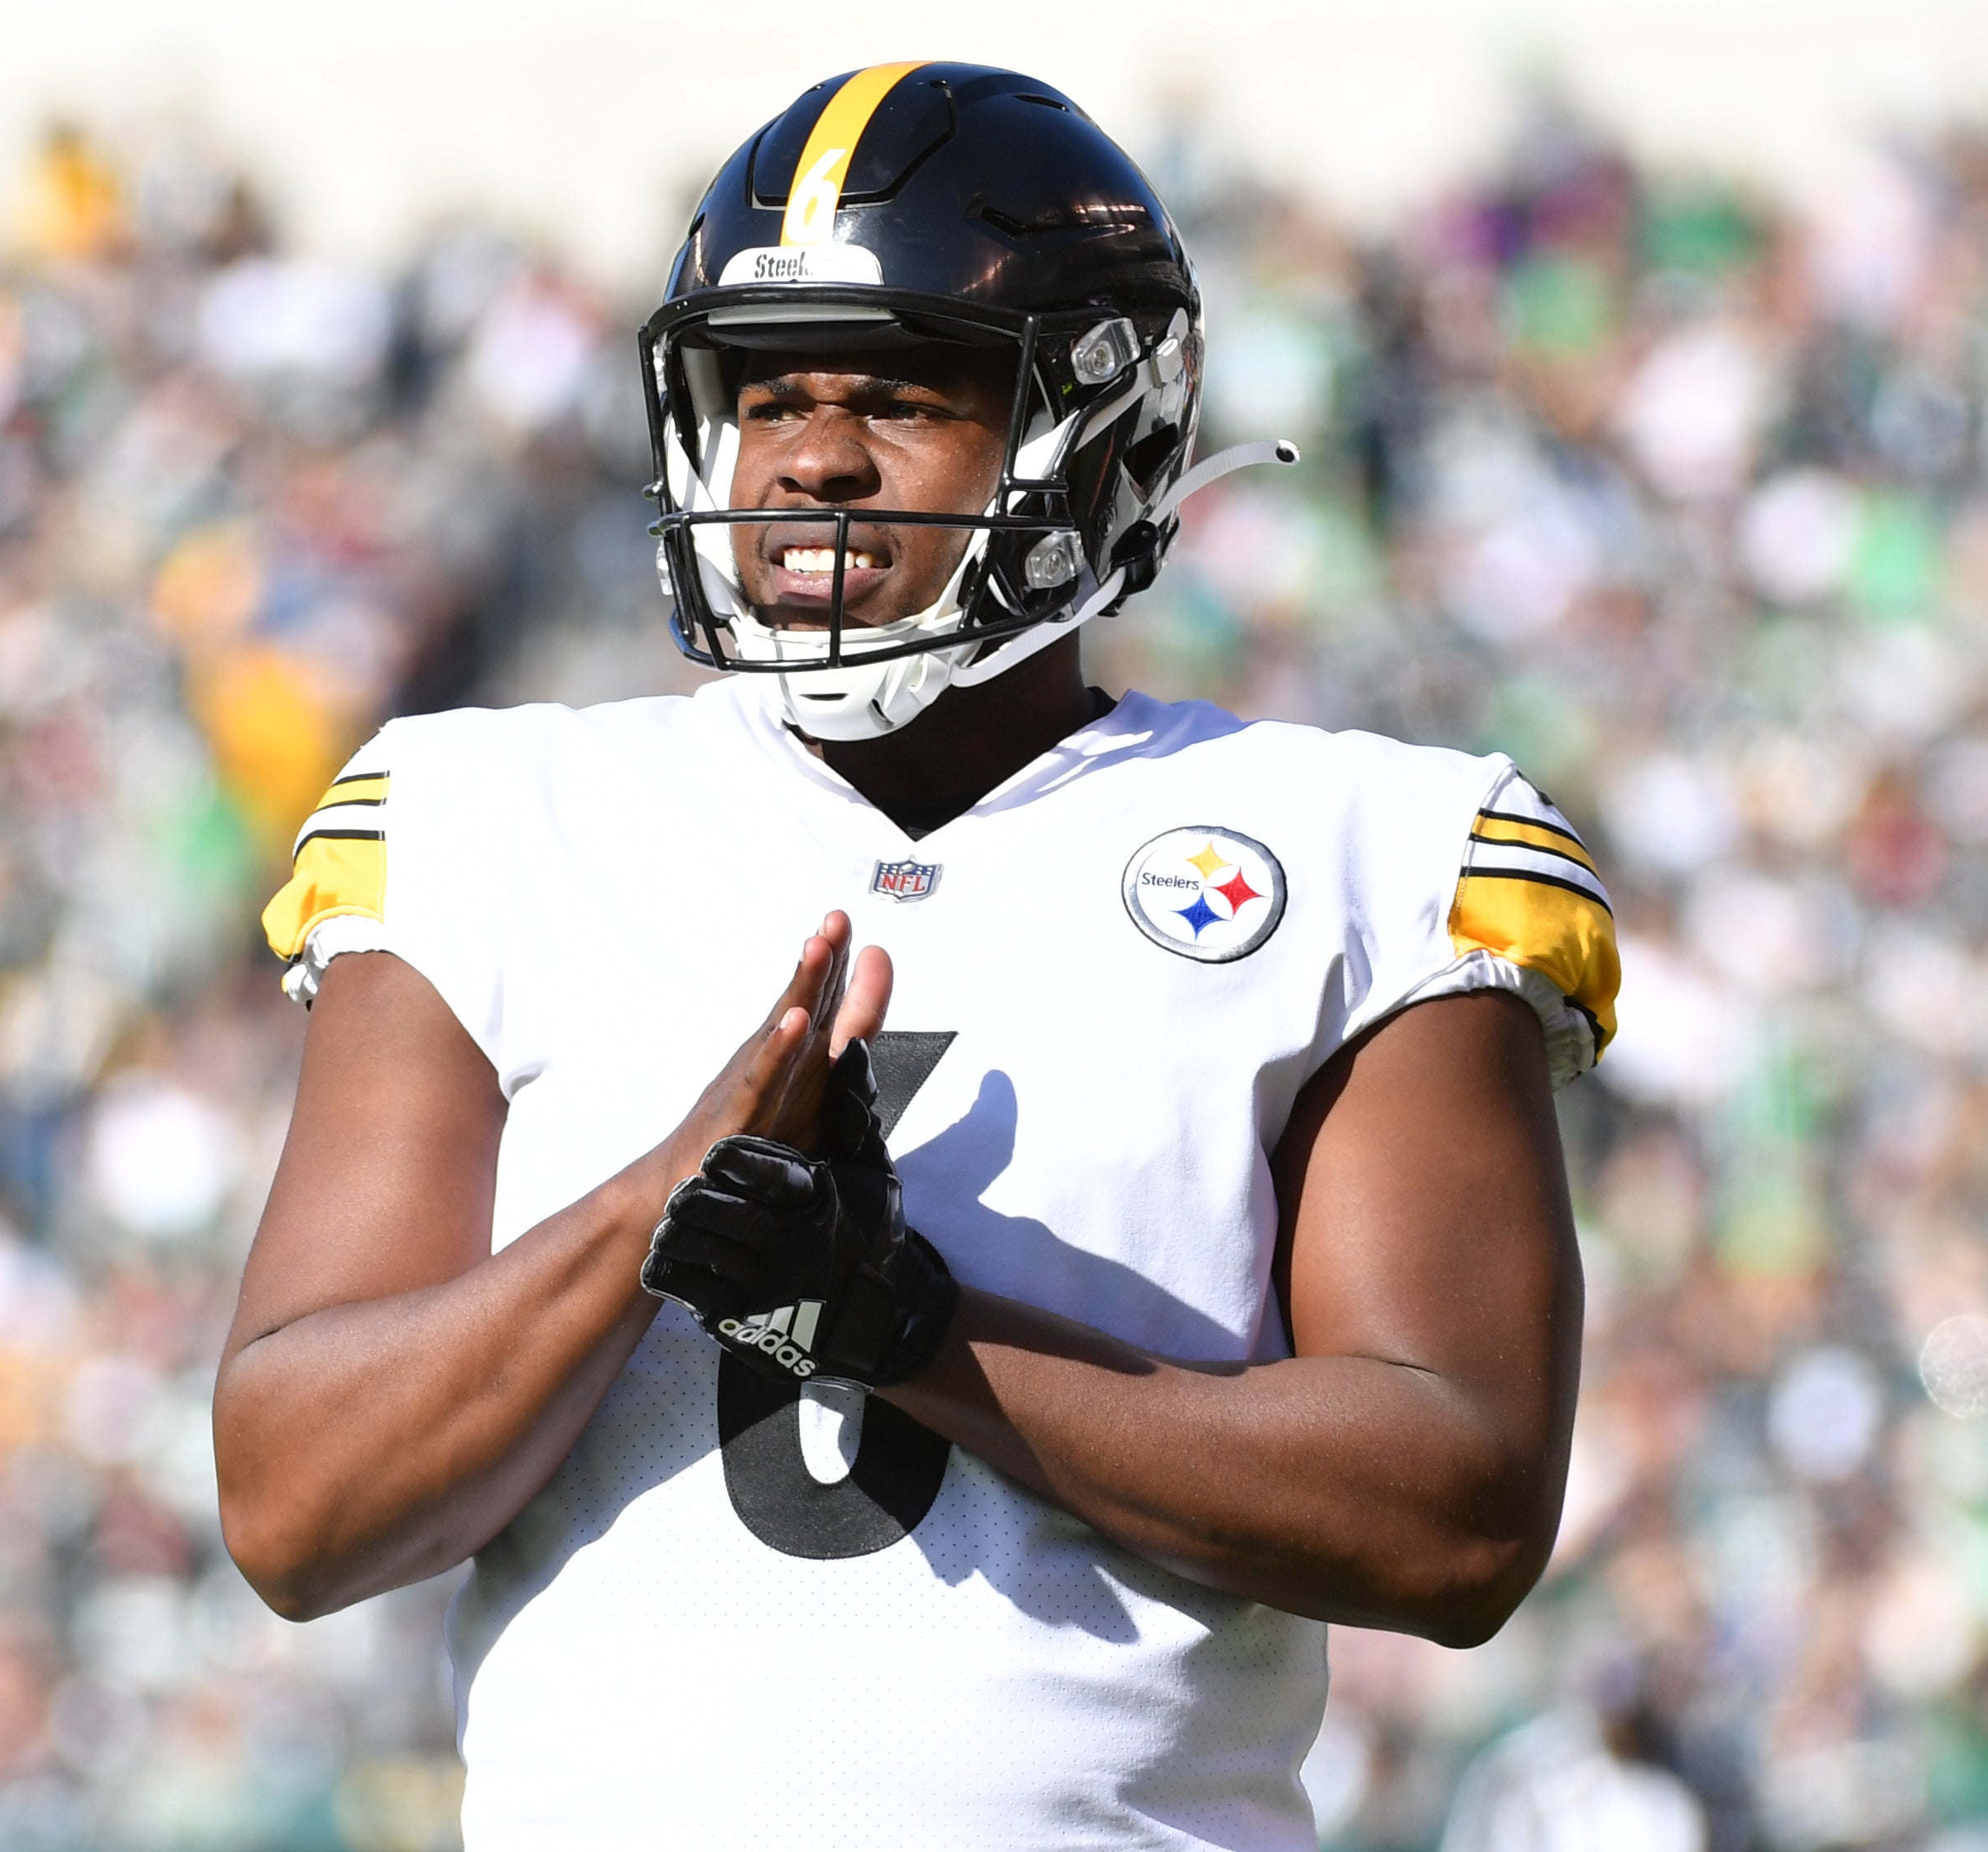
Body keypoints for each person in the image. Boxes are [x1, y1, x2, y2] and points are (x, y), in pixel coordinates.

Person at [214, 61, 1616, 1850]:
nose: (808, 454)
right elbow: (297, 1508)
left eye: (896, 391)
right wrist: (665, 1205)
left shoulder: (1372, 848)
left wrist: (907, 1328)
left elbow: (1459, 1519)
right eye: (764, 393)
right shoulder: (484, 812)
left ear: (1104, 427)